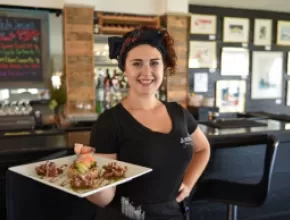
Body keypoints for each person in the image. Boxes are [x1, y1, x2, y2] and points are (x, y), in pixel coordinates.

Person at [87, 26, 211, 220]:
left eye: (154, 63)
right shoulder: (110, 122)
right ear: (124, 70)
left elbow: (203, 149)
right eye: (137, 64)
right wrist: (88, 177)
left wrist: (188, 183)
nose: (147, 72)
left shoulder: (179, 113)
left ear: (164, 67)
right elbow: (105, 198)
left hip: (174, 214)